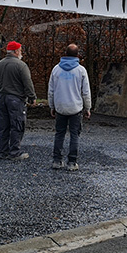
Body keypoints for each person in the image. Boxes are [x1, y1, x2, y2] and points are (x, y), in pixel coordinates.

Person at [48, 43, 92, 171]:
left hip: (60, 107)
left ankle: (57, 161)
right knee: (74, 135)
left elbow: (51, 90)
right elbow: (86, 92)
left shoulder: (56, 69)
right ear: (77, 55)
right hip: (75, 108)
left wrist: (52, 106)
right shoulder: (81, 70)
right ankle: (72, 162)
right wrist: (87, 108)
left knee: (59, 134)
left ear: (65, 53)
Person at [0, 40, 35, 160]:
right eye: (20, 50)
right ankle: (15, 152)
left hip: (1, 98)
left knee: (4, 125)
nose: (21, 53)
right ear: (16, 51)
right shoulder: (21, 65)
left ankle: (3, 151)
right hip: (16, 99)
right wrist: (32, 97)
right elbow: (27, 83)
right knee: (17, 125)